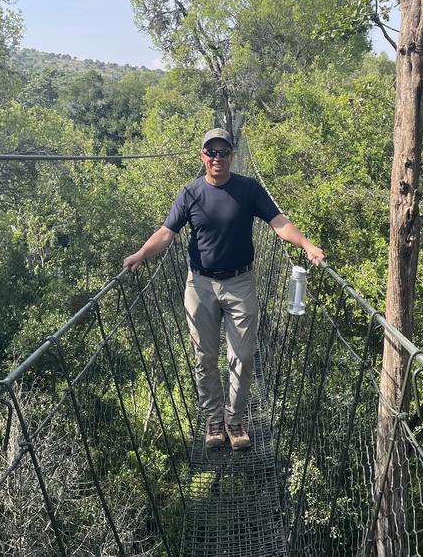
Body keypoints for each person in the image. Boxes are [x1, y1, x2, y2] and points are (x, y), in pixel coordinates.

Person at [123, 128, 325, 450]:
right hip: (200, 284)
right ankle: (214, 420)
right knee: (205, 357)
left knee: (243, 357)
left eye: (223, 152)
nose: (217, 158)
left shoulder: (248, 189)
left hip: (240, 283)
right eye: (211, 153)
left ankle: (235, 420)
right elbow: (166, 233)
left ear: (232, 155)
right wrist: (140, 255)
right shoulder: (190, 193)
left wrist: (307, 245)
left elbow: (279, 222)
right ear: (203, 157)